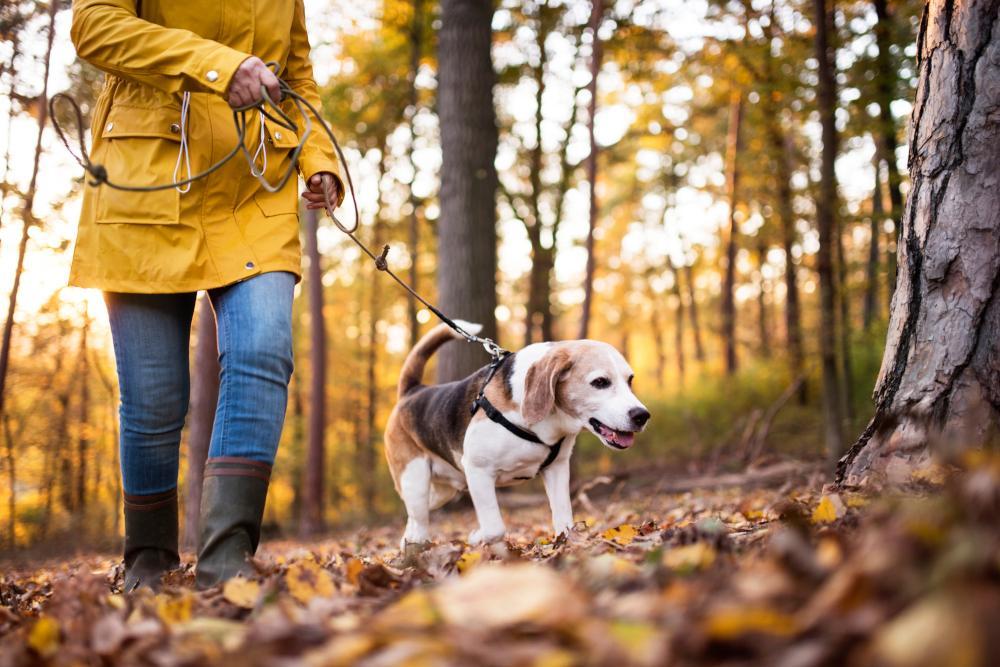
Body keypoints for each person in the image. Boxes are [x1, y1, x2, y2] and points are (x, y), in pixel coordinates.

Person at [68, 0, 343, 590]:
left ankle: (227, 561)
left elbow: (297, 75)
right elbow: (93, 27)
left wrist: (317, 158)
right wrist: (219, 66)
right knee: (154, 399)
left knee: (263, 351)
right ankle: (148, 558)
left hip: (254, 185)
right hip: (147, 176)